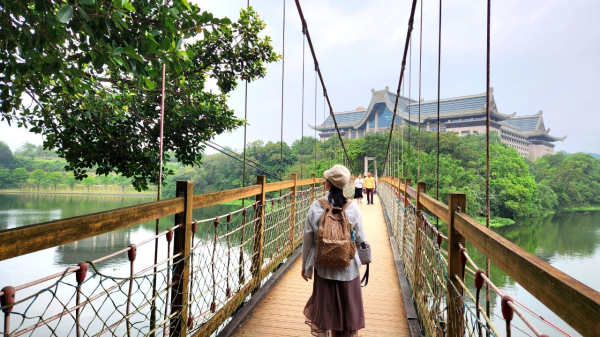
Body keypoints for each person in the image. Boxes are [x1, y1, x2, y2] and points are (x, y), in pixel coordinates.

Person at [302, 165, 366, 337]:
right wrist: (364, 260)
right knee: (347, 317)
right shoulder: (353, 208)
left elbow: (308, 240)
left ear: (328, 183)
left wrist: (306, 268)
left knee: (325, 314)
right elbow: (360, 238)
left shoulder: (316, 206)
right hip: (349, 269)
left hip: (324, 269)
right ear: (344, 185)